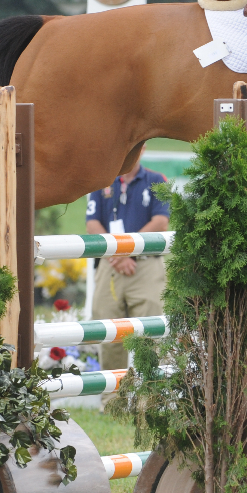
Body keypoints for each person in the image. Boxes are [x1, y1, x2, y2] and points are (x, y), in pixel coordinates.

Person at [85, 153, 170, 371]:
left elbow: (161, 222)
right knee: (109, 334)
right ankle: (113, 393)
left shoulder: (156, 180)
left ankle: (150, 392)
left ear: (144, 147)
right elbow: (92, 224)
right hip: (110, 263)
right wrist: (118, 254)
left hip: (145, 265)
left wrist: (127, 251)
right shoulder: (101, 181)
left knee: (150, 337)